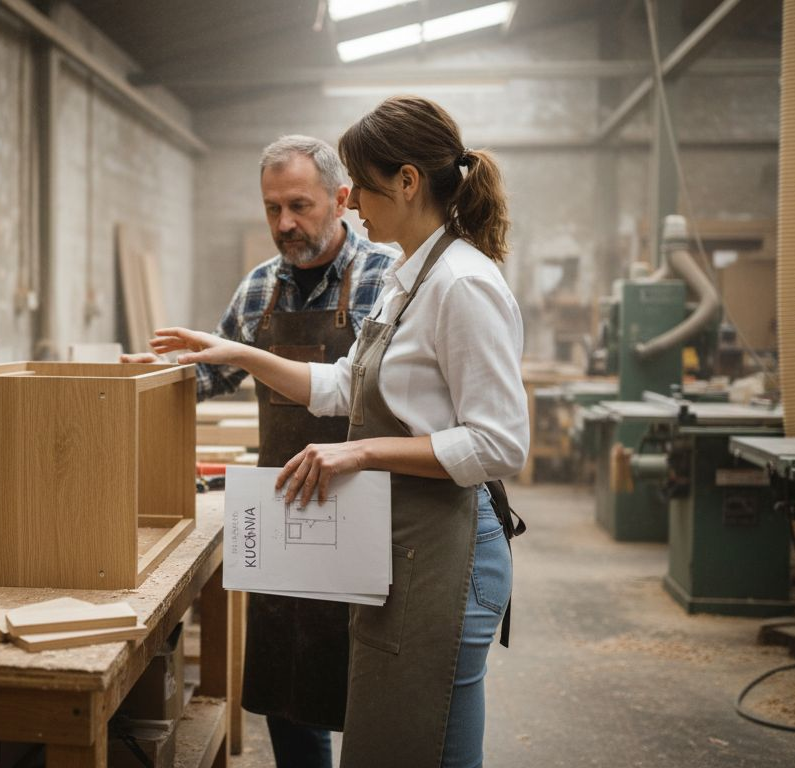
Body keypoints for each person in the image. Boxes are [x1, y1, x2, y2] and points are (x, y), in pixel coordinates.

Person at [148, 96, 528, 767]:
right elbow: (339, 386)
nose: (355, 207)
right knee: (390, 745)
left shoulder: (462, 285)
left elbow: (499, 443)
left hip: (452, 552)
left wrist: (360, 450)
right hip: (401, 543)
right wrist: (234, 351)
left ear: (407, 182)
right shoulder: (410, 280)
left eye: (363, 186)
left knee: (430, 750)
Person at [127, 135, 395, 768]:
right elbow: (210, 375)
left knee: (369, 677)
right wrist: (143, 380)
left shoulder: (386, 278)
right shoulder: (257, 290)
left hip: (368, 507)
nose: (284, 223)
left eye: (299, 205)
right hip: (284, 509)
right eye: (272, 208)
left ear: (342, 198)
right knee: (288, 679)